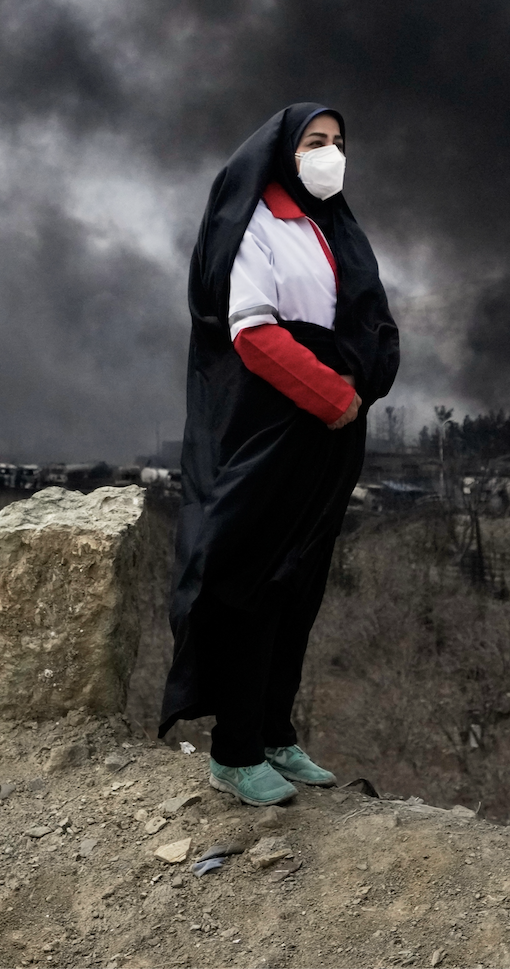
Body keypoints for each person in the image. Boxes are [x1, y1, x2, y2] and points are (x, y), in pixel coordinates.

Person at [161, 104, 399, 806]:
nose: (331, 155)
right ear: (280, 153)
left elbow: (369, 321)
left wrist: (364, 381)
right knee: (251, 584)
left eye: (338, 143)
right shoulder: (253, 228)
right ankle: (234, 749)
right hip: (273, 430)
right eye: (314, 143)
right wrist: (333, 394)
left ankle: (274, 731)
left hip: (330, 435)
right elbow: (252, 332)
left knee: (302, 582)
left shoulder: (334, 227)